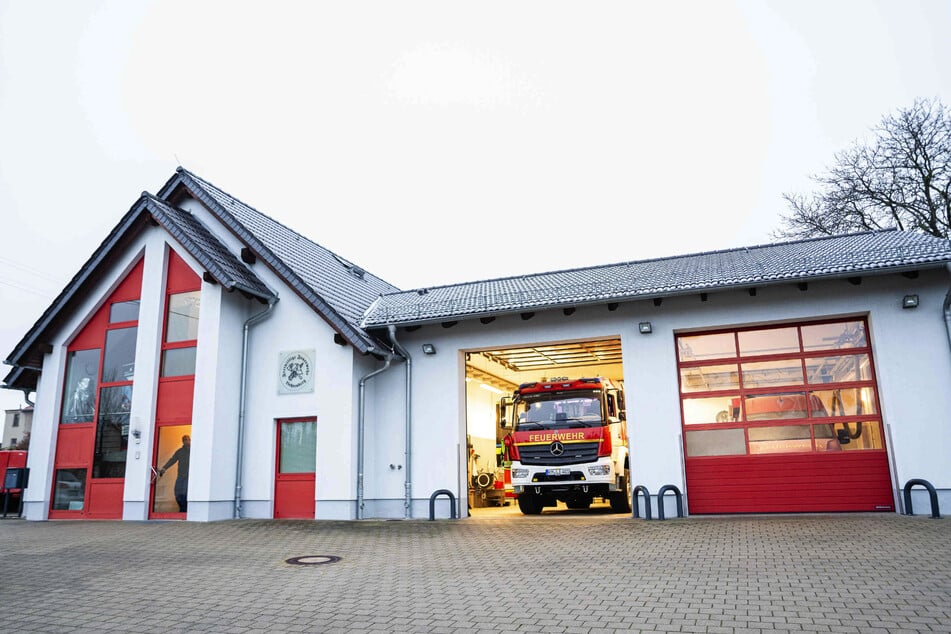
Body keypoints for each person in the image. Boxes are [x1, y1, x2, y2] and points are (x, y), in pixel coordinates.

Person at [159, 435, 190, 512]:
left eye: (187, 439)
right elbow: (172, 460)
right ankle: (182, 509)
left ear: (190, 440)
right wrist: (164, 468)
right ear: (182, 441)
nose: (186, 441)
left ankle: (185, 510)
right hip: (181, 475)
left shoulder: (194, 451)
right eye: (184, 440)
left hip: (189, 476)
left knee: (185, 493)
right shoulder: (179, 451)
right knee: (177, 492)